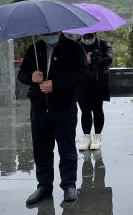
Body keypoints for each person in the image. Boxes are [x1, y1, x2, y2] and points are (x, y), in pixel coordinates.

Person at [18, 32, 87, 205]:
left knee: (67, 148)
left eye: (52, 32)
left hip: (64, 108)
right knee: (41, 150)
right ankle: (44, 186)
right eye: (45, 33)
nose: (49, 35)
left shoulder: (74, 48)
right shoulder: (35, 48)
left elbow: (82, 75)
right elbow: (22, 74)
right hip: (39, 108)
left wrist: (55, 84)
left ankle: (69, 185)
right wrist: (31, 77)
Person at [76, 32, 113, 151]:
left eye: (90, 36)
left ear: (95, 34)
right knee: (85, 111)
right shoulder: (76, 46)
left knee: (97, 109)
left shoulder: (103, 44)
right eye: (85, 36)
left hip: (98, 83)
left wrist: (94, 58)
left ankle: (97, 137)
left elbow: (109, 59)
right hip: (82, 83)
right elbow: (70, 62)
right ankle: (86, 137)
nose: (87, 38)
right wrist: (84, 60)